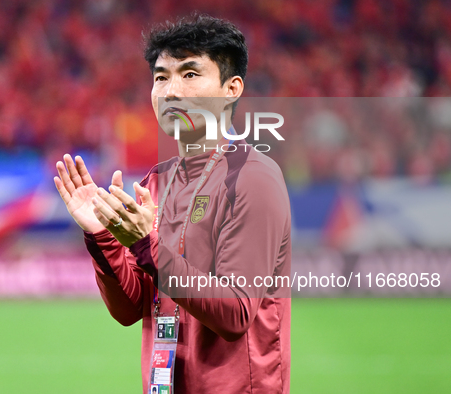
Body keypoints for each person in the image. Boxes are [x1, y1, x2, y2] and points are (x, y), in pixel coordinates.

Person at [55, 14, 291, 393]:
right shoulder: (156, 181)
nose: (170, 91)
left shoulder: (253, 178)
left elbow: (235, 313)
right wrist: (101, 236)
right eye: (161, 77)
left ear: (232, 89)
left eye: (190, 74)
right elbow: (131, 309)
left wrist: (148, 247)